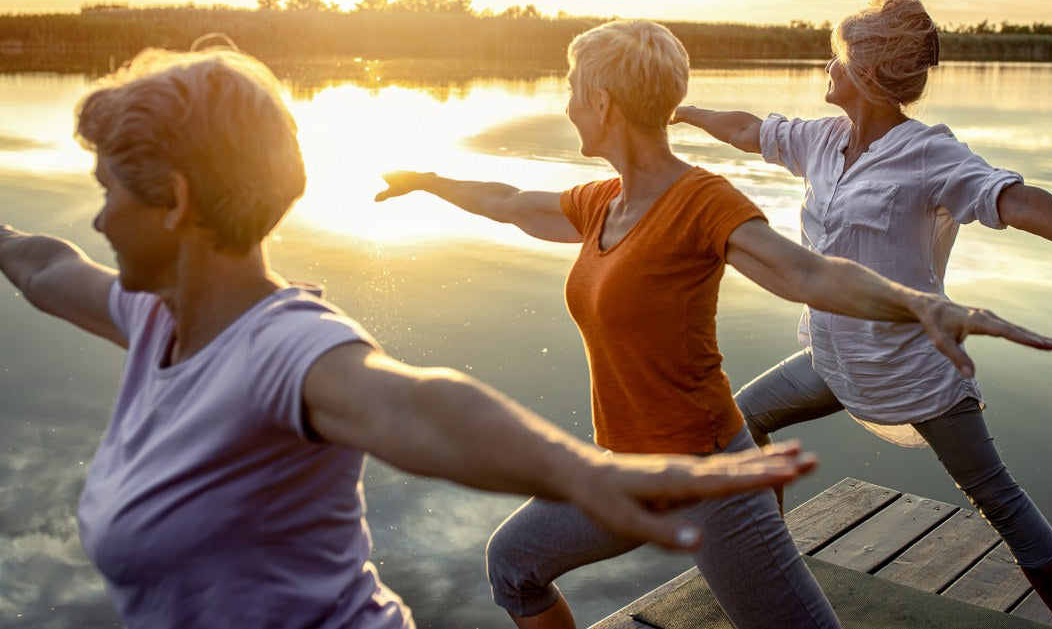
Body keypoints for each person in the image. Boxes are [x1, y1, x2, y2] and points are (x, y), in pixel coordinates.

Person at [0, 47, 833, 629]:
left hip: (701, 461)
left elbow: (418, 406)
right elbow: (41, 266)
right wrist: (434, 180)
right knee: (517, 561)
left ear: (176, 201)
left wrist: (580, 470)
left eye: (109, 192)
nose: (99, 218)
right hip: (652, 460)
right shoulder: (152, 318)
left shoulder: (285, 349)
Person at [375, 19, 1052, 629]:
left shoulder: (700, 199)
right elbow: (509, 201)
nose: (565, 104)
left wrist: (921, 305)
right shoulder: (602, 203)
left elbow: (808, 273)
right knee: (514, 564)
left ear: (603, 103)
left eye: (572, 89)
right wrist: (430, 180)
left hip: (709, 475)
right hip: (629, 469)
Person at [671, 0, 1052, 629]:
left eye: (836, 59)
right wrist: (679, 110)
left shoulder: (929, 153)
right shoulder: (820, 141)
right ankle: (771, 575)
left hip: (915, 371)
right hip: (831, 356)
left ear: (866, 74)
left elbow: (1016, 200)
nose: (826, 69)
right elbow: (746, 129)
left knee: (1000, 502)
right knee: (740, 426)